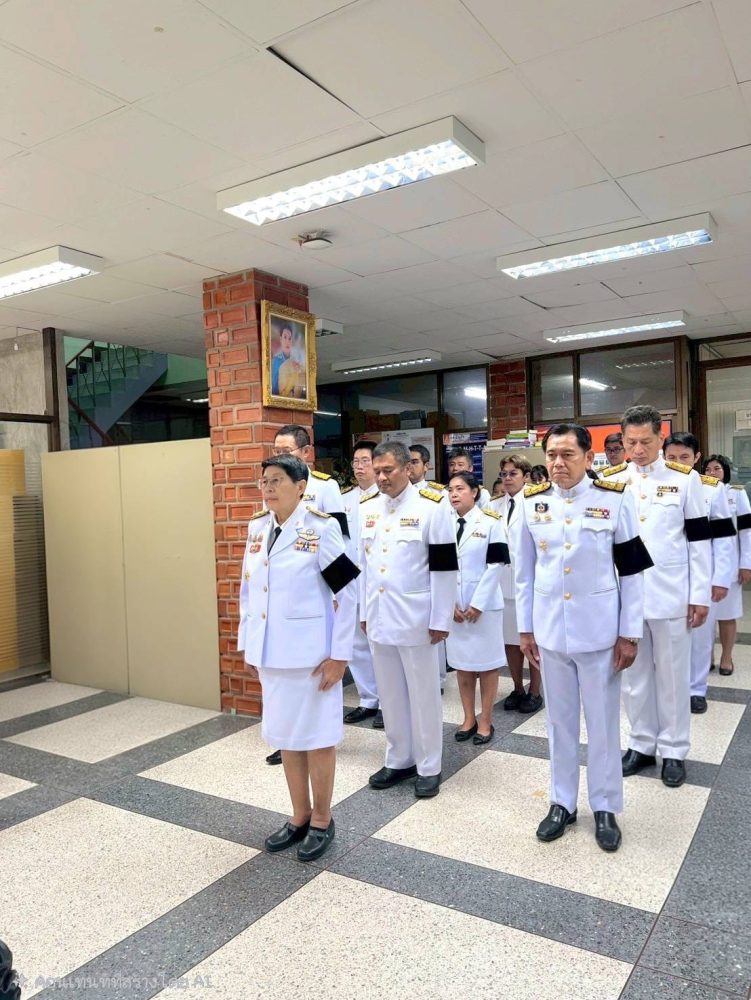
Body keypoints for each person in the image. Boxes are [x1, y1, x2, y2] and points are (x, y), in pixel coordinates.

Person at [515, 424, 652, 851]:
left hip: (600, 632)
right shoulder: (530, 502)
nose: (558, 463)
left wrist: (629, 633)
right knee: (559, 723)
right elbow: (523, 572)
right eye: (552, 455)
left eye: (568, 454)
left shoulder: (614, 499)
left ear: (588, 458)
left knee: (603, 722)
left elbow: (633, 571)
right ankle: (562, 802)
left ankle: (606, 806)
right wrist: (525, 629)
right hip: (551, 631)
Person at [238, 455, 360, 862]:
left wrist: (340, 656)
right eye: (264, 481)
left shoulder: (320, 529)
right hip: (272, 655)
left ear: (301, 486)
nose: (268, 488)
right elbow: (249, 591)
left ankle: (323, 819)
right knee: (287, 738)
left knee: (318, 739)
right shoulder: (258, 527)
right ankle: (300, 815)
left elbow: (348, 595)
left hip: (312, 659)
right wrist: (249, 643)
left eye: (277, 480)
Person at [608, 405, 711, 788]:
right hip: (626, 598)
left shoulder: (685, 480)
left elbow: (699, 543)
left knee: (672, 677)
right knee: (633, 677)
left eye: (646, 442)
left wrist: (699, 595)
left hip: (671, 594)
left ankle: (673, 750)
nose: (638, 450)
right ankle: (641, 744)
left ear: (660, 438)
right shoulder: (611, 481)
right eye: (631, 442)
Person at [360, 441, 458, 798]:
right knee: (390, 694)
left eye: (388, 470)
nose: (381, 477)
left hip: (417, 618)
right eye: (377, 471)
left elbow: (445, 566)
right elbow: (363, 565)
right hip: (379, 615)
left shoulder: (432, 505)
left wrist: (441, 618)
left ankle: (429, 765)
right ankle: (399, 758)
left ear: (407, 468)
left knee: (423, 695)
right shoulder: (367, 508)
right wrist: (363, 611)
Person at [264, 424, 349, 765]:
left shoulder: (325, 489)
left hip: (318, 598)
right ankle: (287, 743)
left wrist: (335, 594)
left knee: (316, 718)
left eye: (286, 450)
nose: (280, 456)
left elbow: (340, 542)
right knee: (285, 717)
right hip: (280, 627)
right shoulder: (265, 510)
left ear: (305, 452)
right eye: (276, 451)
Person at [663, 434, 736, 714]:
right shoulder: (655, 487)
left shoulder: (712, 489)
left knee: (701, 635)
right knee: (668, 636)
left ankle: (696, 689)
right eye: (671, 457)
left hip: (703, 573)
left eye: (684, 457)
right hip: (668, 576)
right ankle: (671, 688)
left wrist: (721, 579)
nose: (678, 463)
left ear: (696, 458)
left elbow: (724, 538)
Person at [446, 471, 509, 744]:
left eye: (460, 489)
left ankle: (486, 721)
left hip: (484, 608)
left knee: (487, 665)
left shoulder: (491, 522)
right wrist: (449, 603)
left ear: (474, 492)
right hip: (455, 609)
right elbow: (439, 567)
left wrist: (477, 603)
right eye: (450, 489)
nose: (454, 494)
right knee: (463, 666)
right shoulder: (443, 524)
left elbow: (496, 565)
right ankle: (468, 718)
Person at [341, 441, 382, 728]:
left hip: (377, 583)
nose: (359, 466)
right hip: (350, 581)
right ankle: (368, 699)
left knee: (379, 644)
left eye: (365, 460)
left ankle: (388, 702)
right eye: (355, 461)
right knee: (355, 645)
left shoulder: (386, 497)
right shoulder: (344, 499)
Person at [499, 455, 544, 714]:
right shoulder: (496, 505)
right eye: (504, 474)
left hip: (530, 584)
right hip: (504, 585)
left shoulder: (537, 503)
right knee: (510, 642)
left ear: (526, 476)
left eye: (513, 473)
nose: (507, 478)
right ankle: (517, 687)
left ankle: (535, 691)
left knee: (532, 641)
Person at [704, 454, 751, 677]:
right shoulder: (699, 493)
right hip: (704, 566)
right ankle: (707, 658)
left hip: (729, 566)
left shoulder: (737, 494)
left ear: (726, 472)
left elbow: (747, 531)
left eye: (717, 469)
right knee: (704, 619)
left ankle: (726, 657)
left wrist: (746, 564)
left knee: (727, 615)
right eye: (708, 469)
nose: (712, 473)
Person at [277, 329, 307, 399]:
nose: (298, 349)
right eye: (296, 346)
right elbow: (282, 395)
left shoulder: (305, 368)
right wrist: (294, 375)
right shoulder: (284, 367)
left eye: (300, 347)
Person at [271, 325, 292, 395]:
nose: (287, 341)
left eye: (290, 338)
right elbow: (274, 389)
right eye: (285, 337)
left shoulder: (295, 361)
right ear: (280, 339)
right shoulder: (276, 361)